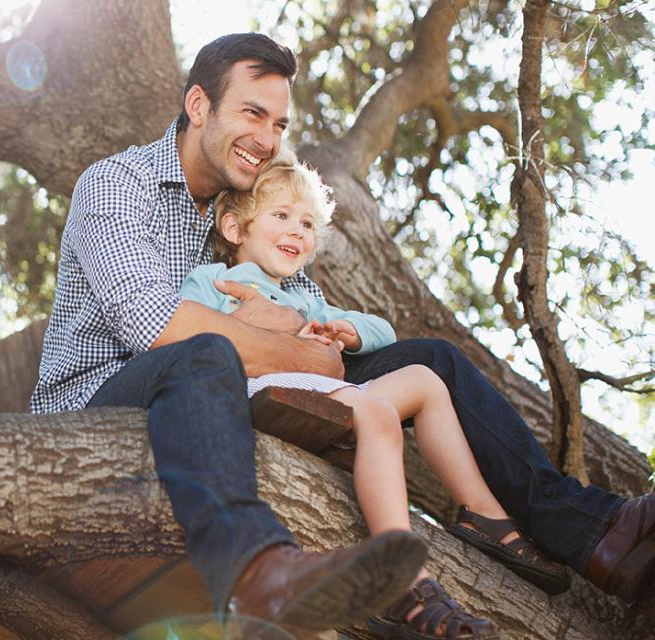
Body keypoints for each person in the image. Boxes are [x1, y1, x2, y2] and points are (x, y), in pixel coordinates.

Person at [30, 32, 653, 637]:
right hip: (100, 408)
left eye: (278, 124)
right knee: (206, 352)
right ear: (199, 106)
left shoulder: (243, 215)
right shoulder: (118, 186)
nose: (268, 139)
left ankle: (592, 531)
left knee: (431, 359)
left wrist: (331, 342)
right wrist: (304, 352)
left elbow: (307, 332)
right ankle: (256, 570)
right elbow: (158, 327)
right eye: (252, 113)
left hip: (228, 390)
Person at [181, 156, 571, 638]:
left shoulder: (307, 297)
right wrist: (252, 326)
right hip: (262, 394)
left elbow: (383, 330)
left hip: (322, 392)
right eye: (280, 216)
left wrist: (345, 331)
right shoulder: (214, 280)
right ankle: (405, 584)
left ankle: (482, 515)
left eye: (306, 223)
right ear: (236, 227)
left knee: (426, 383)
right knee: (377, 412)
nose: (296, 231)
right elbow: (190, 339)